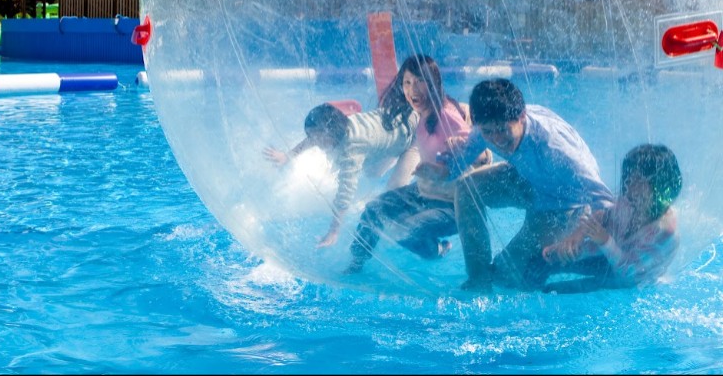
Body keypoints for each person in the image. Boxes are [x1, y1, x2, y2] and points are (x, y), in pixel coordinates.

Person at [441, 78, 614, 292]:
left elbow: (606, 203)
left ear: (522, 116)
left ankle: (595, 265)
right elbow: (458, 164)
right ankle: (478, 280)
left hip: (564, 205)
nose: (496, 139)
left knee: (506, 277)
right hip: (528, 182)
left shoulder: (557, 150)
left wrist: (577, 236)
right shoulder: (487, 125)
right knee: (467, 188)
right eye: (488, 132)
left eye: (503, 130)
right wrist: (440, 168)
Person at [345, 55, 491, 273]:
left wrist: (464, 147)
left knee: (403, 231)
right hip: (424, 192)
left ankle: (437, 250)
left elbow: (482, 152)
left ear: (433, 82)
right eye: (407, 83)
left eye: (420, 81)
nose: (413, 89)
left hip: (454, 204)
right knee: (374, 210)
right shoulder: (422, 112)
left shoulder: (446, 116)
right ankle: (355, 265)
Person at [263, 56, 427, 248]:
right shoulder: (337, 126)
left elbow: (345, 193)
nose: (314, 142)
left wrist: (333, 231)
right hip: (392, 131)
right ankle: (391, 154)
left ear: (329, 135)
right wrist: (287, 156)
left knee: (392, 194)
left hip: (413, 138)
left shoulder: (351, 150)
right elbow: (312, 139)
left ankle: (424, 209)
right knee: (372, 172)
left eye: (317, 138)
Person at [541, 143, 682, 292]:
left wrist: (605, 240)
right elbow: (604, 216)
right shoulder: (632, 202)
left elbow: (629, 272)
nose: (629, 186)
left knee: (553, 290)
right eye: (628, 178)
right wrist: (575, 239)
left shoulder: (665, 233)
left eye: (638, 181)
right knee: (543, 263)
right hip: (610, 259)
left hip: (632, 284)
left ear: (659, 185)